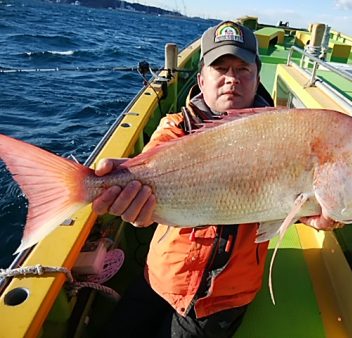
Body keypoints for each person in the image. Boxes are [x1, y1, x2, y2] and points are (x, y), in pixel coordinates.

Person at [96, 21, 274, 337]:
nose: (231, 78)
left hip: (221, 300)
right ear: (202, 79)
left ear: (258, 77)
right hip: (160, 277)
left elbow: (310, 209)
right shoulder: (174, 127)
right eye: (220, 68)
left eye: (243, 69)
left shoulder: (280, 136)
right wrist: (135, 202)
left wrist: (327, 215)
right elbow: (148, 171)